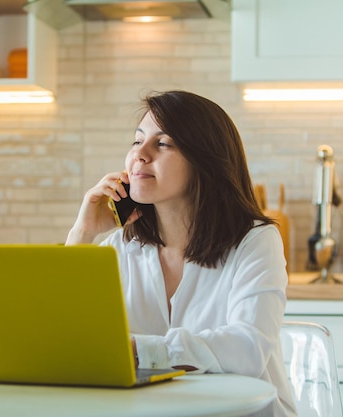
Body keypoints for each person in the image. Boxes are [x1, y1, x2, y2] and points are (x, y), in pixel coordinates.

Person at [66, 90, 296, 417]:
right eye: (136, 141)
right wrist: (83, 232)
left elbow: (247, 350)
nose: (139, 156)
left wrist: (136, 349)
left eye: (162, 144)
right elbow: (65, 333)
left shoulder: (256, 241)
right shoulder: (123, 248)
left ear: (205, 161)